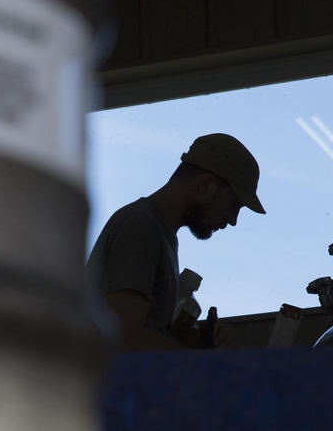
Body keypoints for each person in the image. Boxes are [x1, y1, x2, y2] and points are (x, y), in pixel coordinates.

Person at [86, 133, 265, 350]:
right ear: (205, 186)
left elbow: (140, 329)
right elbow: (125, 334)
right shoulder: (140, 227)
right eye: (234, 205)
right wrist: (200, 366)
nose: (233, 220)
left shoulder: (161, 235)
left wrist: (195, 339)